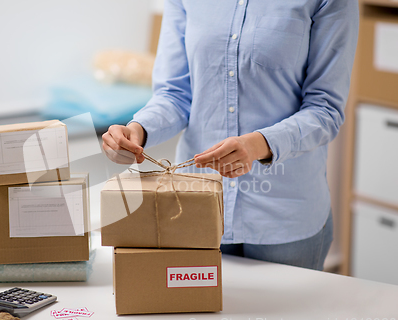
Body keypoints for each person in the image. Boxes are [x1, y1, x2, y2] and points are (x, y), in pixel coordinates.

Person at [102, 0, 359, 270]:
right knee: (192, 312)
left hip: (285, 217)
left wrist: (259, 145)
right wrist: (138, 131)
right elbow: (175, 94)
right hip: (198, 205)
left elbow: (325, 108)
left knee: (283, 315)